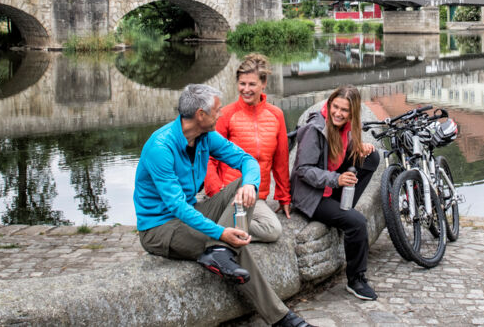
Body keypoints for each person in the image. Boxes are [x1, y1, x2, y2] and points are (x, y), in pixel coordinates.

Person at [133, 84, 312, 327]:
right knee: (233, 244)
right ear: (200, 114)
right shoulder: (160, 147)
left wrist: (249, 184)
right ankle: (282, 318)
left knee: (242, 184)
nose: (221, 114)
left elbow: (246, 160)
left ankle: (219, 252)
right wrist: (221, 232)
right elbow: (176, 207)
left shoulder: (205, 137)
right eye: (217, 110)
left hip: (191, 212)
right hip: (159, 228)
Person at [291, 85, 381, 301]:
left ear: (353, 112)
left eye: (345, 110)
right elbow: (303, 170)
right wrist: (337, 180)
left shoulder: (345, 127)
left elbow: (336, 153)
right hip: (311, 196)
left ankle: (343, 208)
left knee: (371, 157)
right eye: (335, 107)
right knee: (357, 222)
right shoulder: (314, 129)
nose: (338, 113)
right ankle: (356, 280)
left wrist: (357, 148)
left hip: (329, 188)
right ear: (329, 104)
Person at [205, 54, 291, 242]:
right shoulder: (226, 114)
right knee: (270, 230)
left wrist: (284, 197)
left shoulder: (276, 115)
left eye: (251, 84)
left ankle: (219, 227)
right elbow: (208, 159)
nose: (246, 89)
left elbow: (281, 160)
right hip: (228, 194)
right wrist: (217, 194)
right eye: (242, 84)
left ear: (264, 83)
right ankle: (221, 223)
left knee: (272, 230)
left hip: (255, 197)